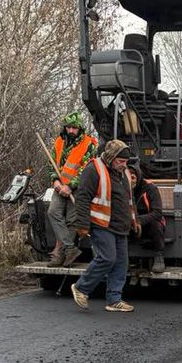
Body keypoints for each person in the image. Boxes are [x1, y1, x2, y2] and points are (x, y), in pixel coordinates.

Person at [70, 140, 137, 313]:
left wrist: (133, 220)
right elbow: (82, 198)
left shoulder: (124, 173)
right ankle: (81, 288)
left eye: (125, 162)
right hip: (101, 223)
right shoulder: (94, 169)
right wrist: (83, 225)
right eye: (120, 161)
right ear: (110, 157)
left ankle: (114, 300)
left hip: (120, 225)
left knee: (121, 263)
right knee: (107, 258)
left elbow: (129, 200)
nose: (123, 165)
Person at [46, 112, 97, 268]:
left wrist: (70, 186)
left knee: (71, 221)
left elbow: (86, 169)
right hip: (60, 186)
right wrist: (55, 181)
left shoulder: (89, 143)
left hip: (78, 188)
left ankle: (60, 255)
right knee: (53, 213)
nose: (71, 131)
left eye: (74, 128)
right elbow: (51, 164)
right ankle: (70, 248)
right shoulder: (58, 142)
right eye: (68, 127)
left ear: (79, 128)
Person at [127, 162, 166, 273]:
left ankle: (159, 256)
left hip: (147, 224)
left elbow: (157, 213)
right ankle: (123, 259)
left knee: (156, 224)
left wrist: (138, 221)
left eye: (133, 177)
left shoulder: (150, 188)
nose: (131, 180)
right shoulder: (122, 188)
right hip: (129, 223)